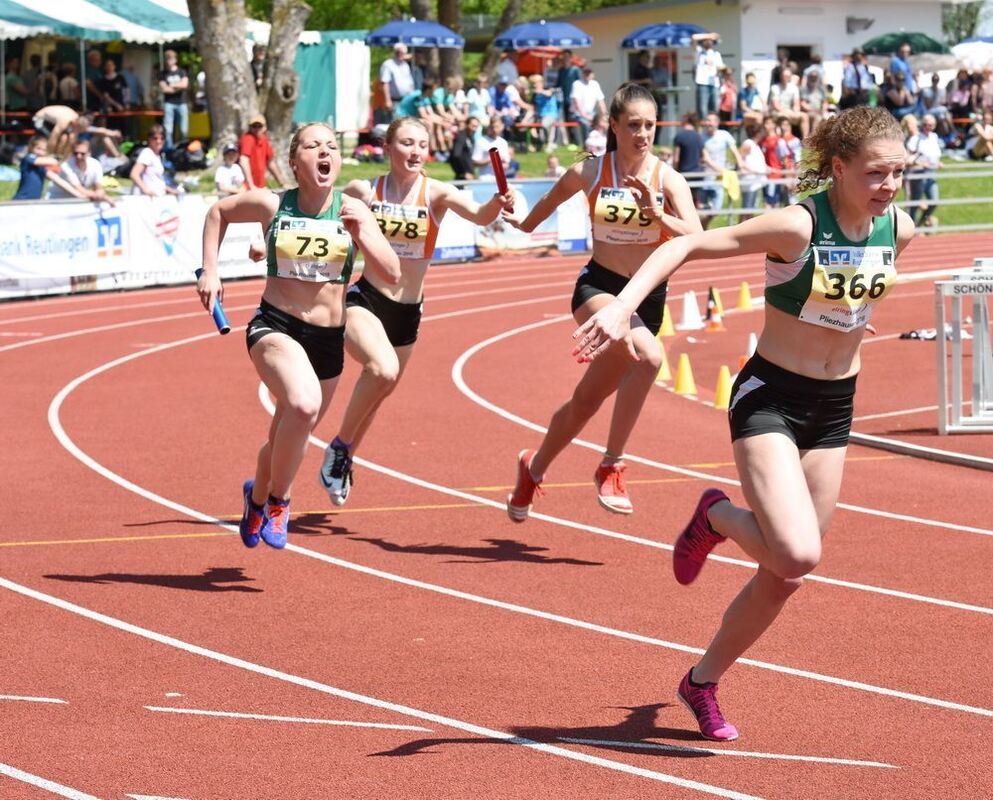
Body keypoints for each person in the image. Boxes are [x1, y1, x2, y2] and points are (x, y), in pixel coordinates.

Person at [573, 105, 914, 742]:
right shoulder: (795, 225)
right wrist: (621, 308)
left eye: (898, 171)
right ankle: (716, 517)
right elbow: (685, 242)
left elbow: (860, 299)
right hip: (770, 398)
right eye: (875, 173)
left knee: (785, 578)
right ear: (837, 167)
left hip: (835, 405)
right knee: (797, 551)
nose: (889, 184)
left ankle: (700, 683)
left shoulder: (898, 226)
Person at [197, 122, 400, 548]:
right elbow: (218, 212)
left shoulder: (353, 210)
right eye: (313, 146)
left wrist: (362, 232)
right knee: (303, 406)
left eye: (331, 146)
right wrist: (211, 270)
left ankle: (254, 498)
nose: (324, 151)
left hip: (327, 339)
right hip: (276, 325)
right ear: (295, 162)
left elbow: (392, 272)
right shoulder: (273, 204)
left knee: (285, 435)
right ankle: (278, 501)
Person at [503, 83, 701, 519]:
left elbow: (698, 238)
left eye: (650, 125)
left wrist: (657, 215)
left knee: (584, 403)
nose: (643, 134)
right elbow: (542, 209)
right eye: (633, 125)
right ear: (613, 126)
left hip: (646, 298)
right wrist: (518, 221)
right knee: (648, 357)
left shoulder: (668, 179)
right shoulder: (590, 172)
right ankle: (611, 465)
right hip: (599, 289)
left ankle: (532, 471)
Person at [319, 118, 513, 504]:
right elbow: (324, 212)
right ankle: (339, 447)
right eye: (406, 143)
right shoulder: (365, 190)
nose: (415, 151)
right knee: (380, 370)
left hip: (408, 311)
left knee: (379, 391)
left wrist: (497, 203)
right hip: (367, 299)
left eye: (422, 145)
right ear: (388, 147)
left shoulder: (436, 192)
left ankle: (345, 459)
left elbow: (480, 214)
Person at [700, 112, 746, 228]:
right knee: (702, 209)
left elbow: (734, 150)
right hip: (705, 176)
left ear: (717, 122)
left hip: (719, 178)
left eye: (710, 120)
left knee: (717, 208)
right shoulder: (701, 136)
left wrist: (740, 164)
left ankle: (702, 227)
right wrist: (722, 170)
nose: (707, 123)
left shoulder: (724, 135)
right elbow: (706, 158)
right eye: (706, 120)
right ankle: (701, 230)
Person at [13, 134, 90, 201]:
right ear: (31, 148)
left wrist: (79, 195)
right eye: (38, 148)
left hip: (34, 202)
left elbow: (58, 180)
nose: (41, 152)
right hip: (21, 200)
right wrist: (58, 159)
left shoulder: (41, 167)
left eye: (44, 150)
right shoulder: (28, 159)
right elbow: (49, 161)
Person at [904, 113, 941, 228]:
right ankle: (911, 228)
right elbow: (907, 159)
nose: (928, 127)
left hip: (931, 173)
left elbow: (934, 154)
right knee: (914, 204)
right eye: (925, 124)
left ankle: (919, 224)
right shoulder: (916, 139)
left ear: (934, 126)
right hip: (918, 173)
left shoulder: (934, 137)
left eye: (930, 125)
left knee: (934, 201)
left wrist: (937, 162)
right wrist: (920, 163)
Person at [47, 138, 112, 203]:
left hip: (78, 201)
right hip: (57, 200)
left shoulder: (96, 164)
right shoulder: (66, 166)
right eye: (76, 153)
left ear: (89, 153)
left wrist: (100, 193)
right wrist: (104, 197)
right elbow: (79, 189)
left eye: (82, 153)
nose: (78, 156)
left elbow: (98, 187)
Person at [239, 114, 291, 190]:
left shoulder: (264, 140)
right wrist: (251, 185)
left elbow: (271, 163)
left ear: (265, 127)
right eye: (254, 126)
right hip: (245, 187)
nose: (257, 129)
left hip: (259, 186)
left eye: (259, 126)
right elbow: (244, 160)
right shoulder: (248, 139)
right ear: (250, 127)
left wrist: (282, 183)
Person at [130, 124, 181, 197]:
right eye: (155, 138)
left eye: (162, 138)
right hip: (145, 199)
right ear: (149, 139)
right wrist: (146, 190)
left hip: (157, 198)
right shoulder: (147, 153)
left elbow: (156, 181)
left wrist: (170, 190)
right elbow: (134, 174)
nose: (159, 141)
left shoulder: (157, 156)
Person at [159, 49, 189, 151]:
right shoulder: (163, 73)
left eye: (171, 58)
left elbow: (185, 85)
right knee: (168, 130)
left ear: (175, 60)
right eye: (167, 59)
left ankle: (184, 149)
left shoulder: (181, 71)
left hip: (181, 103)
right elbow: (164, 89)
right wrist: (178, 87)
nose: (169, 61)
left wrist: (172, 85)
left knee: (184, 130)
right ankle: (170, 151)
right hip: (169, 103)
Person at [768, 67, 808, 138]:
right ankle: (784, 140)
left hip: (790, 112)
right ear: (781, 76)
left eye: (787, 76)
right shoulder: (775, 88)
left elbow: (796, 104)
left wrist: (795, 112)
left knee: (804, 116)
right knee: (784, 116)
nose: (785, 78)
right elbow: (776, 105)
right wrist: (787, 111)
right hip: (777, 112)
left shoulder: (794, 88)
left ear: (790, 77)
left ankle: (805, 141)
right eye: (784, 76)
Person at [570, 67, 606, 146]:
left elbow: (601, 101)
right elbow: (577, 102)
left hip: (591, 113)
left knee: (603, 123)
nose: (588, 75)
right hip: (577, 113)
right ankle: (586, 145)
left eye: (589, 74)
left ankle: (601, 142)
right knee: (586, 124)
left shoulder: (595, 84)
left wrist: (604, 115)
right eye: (586, 73)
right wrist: (586, 116)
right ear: (582, 74)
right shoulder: (577, 84)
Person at [380, 44, 415, 122]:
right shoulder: (388, 64)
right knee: (395, 123)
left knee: (406, 122)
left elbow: (409, 82)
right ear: (395, 52)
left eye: (404, 53)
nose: (401, 55)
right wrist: (387, 100)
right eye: (399, 52)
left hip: (407, 100)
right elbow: (385, 83)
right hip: (395, 100)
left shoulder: (405, 65)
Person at [692, 33, 724, 118]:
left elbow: (720, 68)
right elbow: (694, 37)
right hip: (702, 83)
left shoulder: (716, 54)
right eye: (706, 41)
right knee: (702, 110)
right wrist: (709, 35)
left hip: (714, 84)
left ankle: (713, 127)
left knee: (714, 109)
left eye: (710, 41)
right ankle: (703, 128)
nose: (709, 42)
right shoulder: (699, 52)